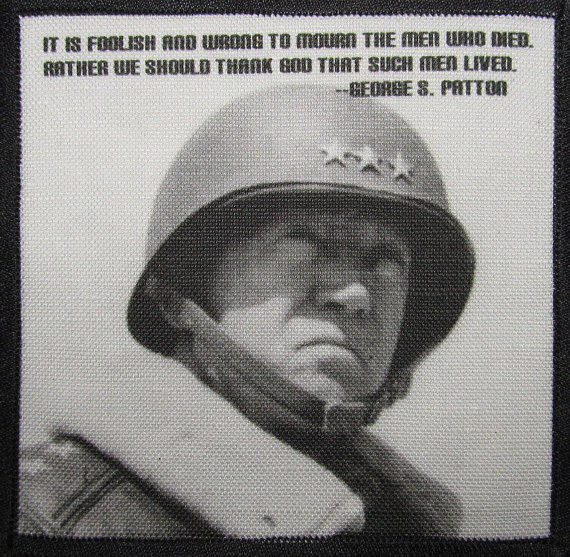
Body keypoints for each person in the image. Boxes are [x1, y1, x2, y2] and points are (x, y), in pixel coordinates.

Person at [19, 85, 475, 537]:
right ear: (180, 290)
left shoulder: (406, 523)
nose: (355, 294)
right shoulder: (41, 514)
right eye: (307, 240)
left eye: (387, 260)